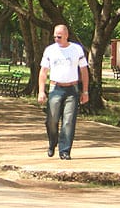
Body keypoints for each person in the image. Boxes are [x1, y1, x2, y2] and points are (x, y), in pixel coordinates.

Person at [37, 24, 89, 160]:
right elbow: (43, 72)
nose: (57, 39)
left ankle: (65, 150)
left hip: (72, 89)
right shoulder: (50, 50)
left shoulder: (76, 49)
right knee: (51, 120)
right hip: (55, 88)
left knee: (68, 121)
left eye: (59, 36)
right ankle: (52, 142)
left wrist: (85, 91)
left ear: (66, 35)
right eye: (54, 36)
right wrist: (41, 91)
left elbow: (84, 71)